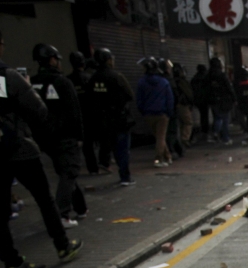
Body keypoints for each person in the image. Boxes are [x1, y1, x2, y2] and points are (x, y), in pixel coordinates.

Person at [0, 20, 83, 268]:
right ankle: (62, 246)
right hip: (16, 148)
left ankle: (12, 263)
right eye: (1, 44)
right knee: (43, 198)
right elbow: (38, 111)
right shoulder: (5, 74)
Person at [30, 43, 87, 228]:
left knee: (66, 171)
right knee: (69, 171)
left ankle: (81, 207)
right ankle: (61, 214)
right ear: (53, 60)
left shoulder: (32, 82)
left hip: (45, 138)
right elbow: (75, 111)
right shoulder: (61, 82)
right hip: (65, 136)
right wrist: (80, 136)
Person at [87, 48, 136, 184]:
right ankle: (125, 176)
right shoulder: (116, 76)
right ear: (108, 60)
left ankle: (120, 172)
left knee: (114, 147)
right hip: (119, 119)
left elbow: (91, 100)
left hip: (103, 121)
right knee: (123, 149)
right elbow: (130, 95)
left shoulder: (93, 79)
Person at [65, 51, 101, 175]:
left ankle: (90, 167)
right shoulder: (89, 78)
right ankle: (98, 165)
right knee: (94, 141)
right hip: (90, 114)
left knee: (84, 144)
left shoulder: (68, 80)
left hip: (75, 116)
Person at [136, 57, 174, 167]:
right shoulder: (164, 82)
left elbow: (139, 99)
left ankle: (167, 156)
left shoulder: (142, 82)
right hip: (162, 114)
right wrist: (169, 112)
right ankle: (159, 159)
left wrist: (142, 110)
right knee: (161, 137)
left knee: (158, 137)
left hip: (148, 113)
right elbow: (169, 99)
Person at [207, 57, 235, 145]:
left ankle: (215, 133)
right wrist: (234, 98)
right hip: (223, 100)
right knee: (225, 119)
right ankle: (225, 138)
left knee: (217, 117)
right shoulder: (222, 75)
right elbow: (229, 88)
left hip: (213, 100)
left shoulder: (208, 76)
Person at [171, 63, 195, 147]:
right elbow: (189, 94)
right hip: (183, 104)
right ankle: (184, 139)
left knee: (182, 123)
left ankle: (182, 139)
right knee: (188, 122)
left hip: (177, 105)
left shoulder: (172, 81)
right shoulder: (182, 82)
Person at [190, 64, 211, 140]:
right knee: (205, 116)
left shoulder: (194, 79)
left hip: (197, 100)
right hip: (205, 99)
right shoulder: (206, 78)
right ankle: (205, 132)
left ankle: (203, 131)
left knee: (203, 115)